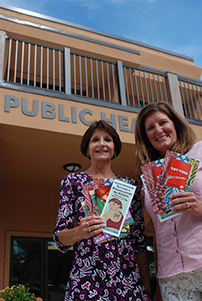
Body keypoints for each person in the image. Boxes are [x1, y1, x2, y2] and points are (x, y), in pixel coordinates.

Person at [53, 120, 151, 301]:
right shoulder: (72, 182)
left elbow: (138, 241)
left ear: (115, 148)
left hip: (127, 278)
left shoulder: (129, 186)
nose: (101, 144)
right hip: (87, 277)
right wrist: (78, 232)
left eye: (108, 139)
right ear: (87, 149)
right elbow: (60, 238)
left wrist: (145, 286)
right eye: (95, 140)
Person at [134, 102, 202, 301]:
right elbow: (158, 231)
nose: (159, 130)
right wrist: (157, 286)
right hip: (171, 276)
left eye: (163, 122)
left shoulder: (199, 152)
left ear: (175, 125)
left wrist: (198, 207)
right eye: (150, 128)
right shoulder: (148, 178)